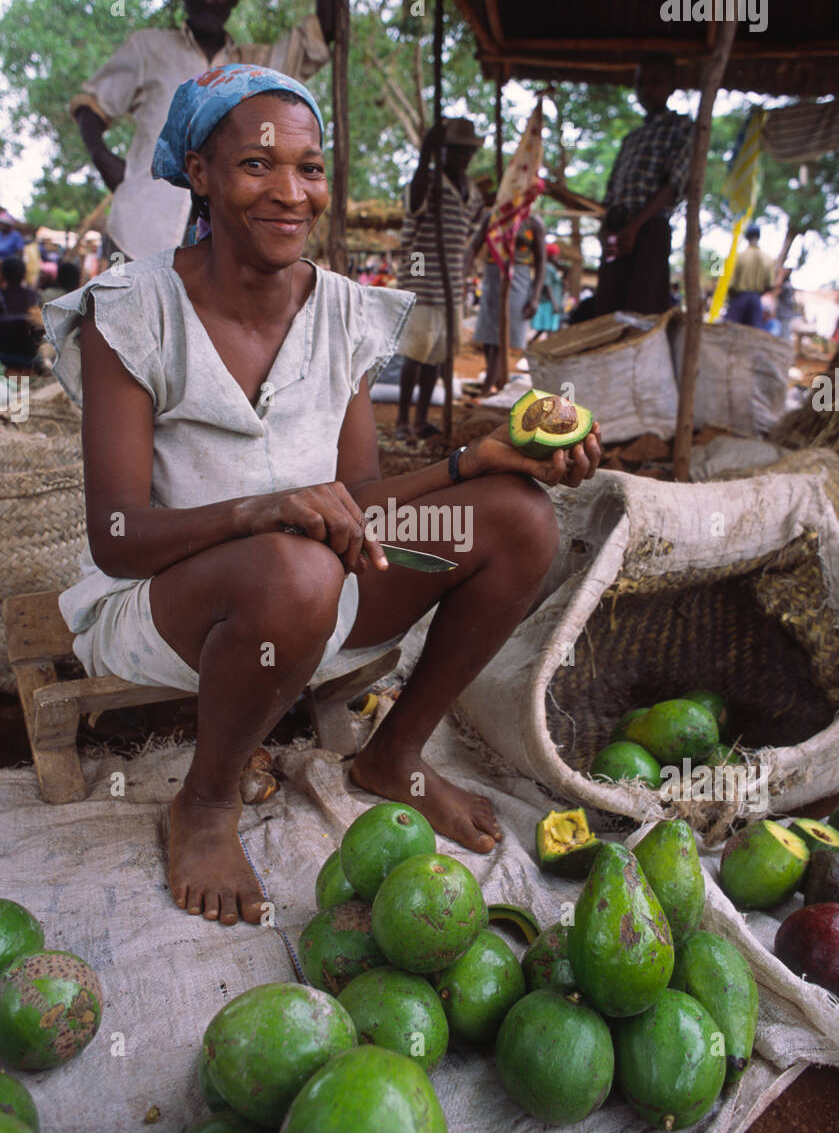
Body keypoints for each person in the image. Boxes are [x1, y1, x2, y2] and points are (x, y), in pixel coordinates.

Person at [44, 66, 602, 926]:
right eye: (256, 165)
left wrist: (476, 461)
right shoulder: (132, 311)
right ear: (200, 173)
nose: (290, 192)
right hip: (167, 611)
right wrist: (262, 509)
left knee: (518, 519)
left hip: (315, 593)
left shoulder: (342, 311)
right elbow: (118, 539)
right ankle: (206, 801)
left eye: (308, 169)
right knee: (296, 568)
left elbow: (360, 499)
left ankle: (394, 756)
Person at [72, 0, 335, 264]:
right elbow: (90, 105)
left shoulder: (253, 67)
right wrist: (105, 161)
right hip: (141, 230)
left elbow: (322, 33)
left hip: (220, 247)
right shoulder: (147, 48)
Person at [394, 118, 485, 441]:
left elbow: (473, 229)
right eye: (455, 150)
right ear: (442, 151)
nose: (462, 157)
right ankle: (402, 421)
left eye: (466, 152)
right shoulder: (429, 181)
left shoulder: (471, 192)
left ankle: (421, 421)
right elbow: (414, 204)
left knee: (436, 357)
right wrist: (424, 157)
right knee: (415, 355)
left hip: (451, 289)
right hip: (421, 281)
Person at [592, 54, 693, 318]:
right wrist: (606, 231)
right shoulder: (632, 139)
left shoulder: (681, 126)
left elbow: (674, 183)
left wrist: (634, 228)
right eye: (640, 83)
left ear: (672, 86)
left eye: (655, 81)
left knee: (643, 313)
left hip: (650, 229)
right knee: (607, 313)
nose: (646, 89)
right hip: (617, 230)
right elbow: (611, 194)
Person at [467, 215, 546, 397]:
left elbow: (541, 261)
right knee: (489, 337)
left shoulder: (533, 223)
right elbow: (473, 247)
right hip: (492, 277)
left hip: (517, 278)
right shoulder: (493, 217)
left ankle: (487, 388)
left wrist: (534, 297)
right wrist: (462, 274)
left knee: (500, 337)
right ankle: (493, 383)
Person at [726, 225, 777, 328]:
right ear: (759, 237)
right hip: (756, 300)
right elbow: (771, 285)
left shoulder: (738, 257)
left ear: (747, 237)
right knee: (754, 332)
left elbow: (730, 283)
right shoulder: (768, 259)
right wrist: (757, 294)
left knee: (731, 329)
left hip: (738, 298)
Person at [530, 241, 564, 341]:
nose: (557, 257)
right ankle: (548, 346)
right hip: (548, 303)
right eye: (555, 255)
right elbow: (547, 286)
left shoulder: (551, 268)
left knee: (546, 328)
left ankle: (531, 343)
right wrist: (554, 303)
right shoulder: (548, 268)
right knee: (549, 328)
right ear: (550, 256)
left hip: (550, 302)